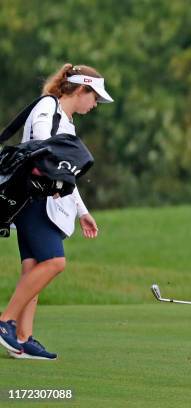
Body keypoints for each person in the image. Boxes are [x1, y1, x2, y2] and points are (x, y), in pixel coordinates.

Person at [0, 63, 113, 360]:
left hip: (40, 200)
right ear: (81, 90)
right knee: (54, 262)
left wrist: (81, 211)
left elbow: (63, 173)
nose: (95, 105)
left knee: (33, 267)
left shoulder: (66, 120)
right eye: (94, 98)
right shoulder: (48, 108)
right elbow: (42, 149)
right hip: (34, 201)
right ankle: (4, 322)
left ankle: (22, 339)